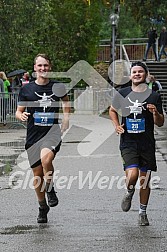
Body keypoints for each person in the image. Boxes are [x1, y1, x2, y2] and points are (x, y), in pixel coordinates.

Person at [16, 53, 70, 223]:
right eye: (40, 66)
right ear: (34, 68)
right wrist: (21, 116)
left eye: (45, 65)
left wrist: (66, 117)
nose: (43, 68)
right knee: (37, 174)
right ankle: (42, 206)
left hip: (52, 133)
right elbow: (19, 111)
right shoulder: (27, 89)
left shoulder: (58, 87)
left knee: (46, 160)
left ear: (50, 67)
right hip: (33, 135)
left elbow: (66, 101)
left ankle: (51, 188)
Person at [109, 61, 164, 226]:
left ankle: (142, 213)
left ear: (146, 75)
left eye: (141, 71)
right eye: (135, 72)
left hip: (146, 143)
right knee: (132, 175)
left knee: (145, 180)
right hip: (128, 142)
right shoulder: (123, 93)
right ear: (130, 75)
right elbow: (112, 110)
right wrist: (117, 125)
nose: (138, 74)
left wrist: (155, 113)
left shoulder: (154, 95)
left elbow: (160, 122)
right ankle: (129, 191)